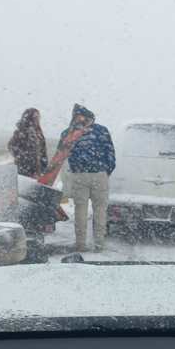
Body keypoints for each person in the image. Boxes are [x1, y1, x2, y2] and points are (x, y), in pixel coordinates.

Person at [63, 104, 115, 252]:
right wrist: (106, 171)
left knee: (80, 211)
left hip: (79, 175)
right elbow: (110, 154)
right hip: (100, 174)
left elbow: (66, 153)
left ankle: (81, 244)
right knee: (100, 210)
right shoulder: (102, 131)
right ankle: (99, 244)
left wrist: (76, 169)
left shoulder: (69, 132)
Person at [7, 108, 48, 179]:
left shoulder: (39, 134)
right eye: (35, 117)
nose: (37, 119)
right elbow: (11, 146)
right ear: (29, 117)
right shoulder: (22, 131)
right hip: (24, 170)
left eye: (38, 117)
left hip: (37, 171)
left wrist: (43, 169)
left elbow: (43, 153)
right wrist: (24, 159)